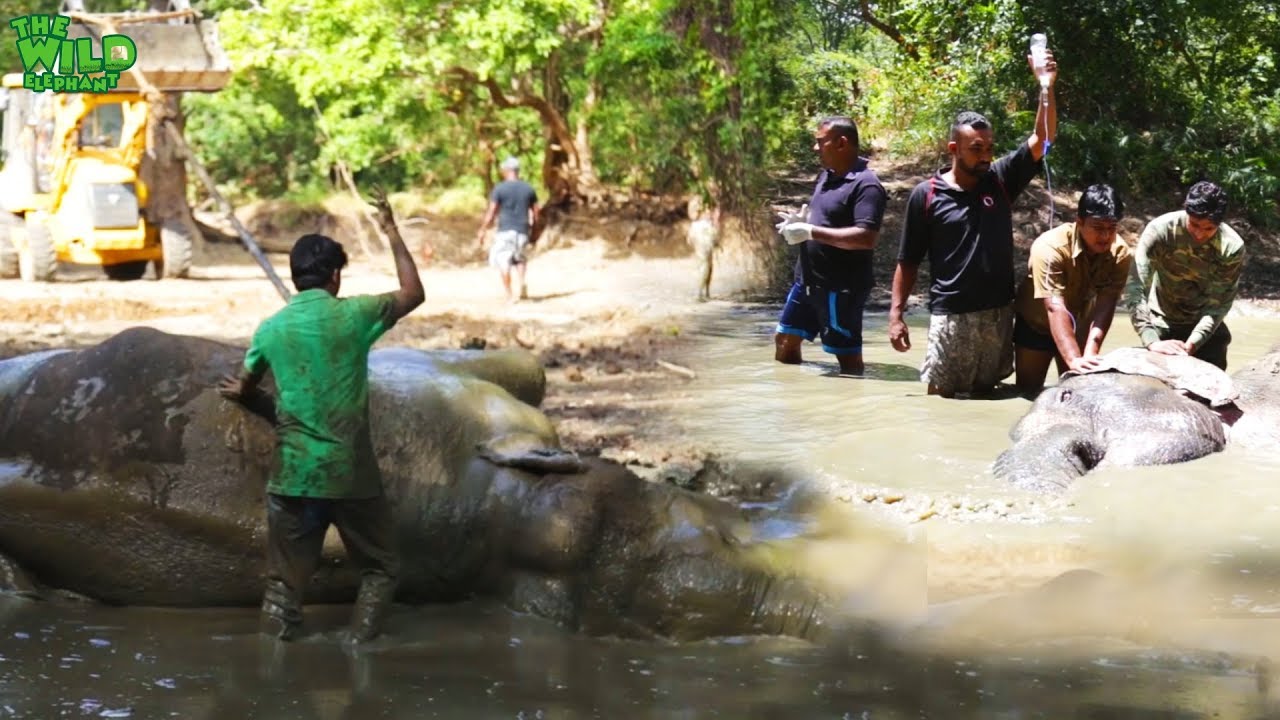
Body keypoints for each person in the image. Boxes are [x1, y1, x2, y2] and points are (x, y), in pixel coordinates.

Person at [217, 190, 425, 643]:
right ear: (335, 276)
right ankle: (359, 648)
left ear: (295, 278)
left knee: (283, 585)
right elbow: (414, 292)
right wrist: (390, 228)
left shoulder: (271, 328)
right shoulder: (356, 314)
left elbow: (247, 380)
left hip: (294, 476)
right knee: (381, 567)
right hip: (351, 476)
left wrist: (244, 393)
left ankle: (277, 667)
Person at [888, 47, 1058, 397]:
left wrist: (1046, 86)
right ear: (954, 148)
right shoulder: (927, 194)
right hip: (951, 316)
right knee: (941, 399)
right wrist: (895, 315)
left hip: (998, 312)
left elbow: (1042, 140)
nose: (984, 156)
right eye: (975, 148)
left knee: (987, 394)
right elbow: (908, 261)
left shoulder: (999, 180)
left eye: (988, 148)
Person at [773, 115, 888, 376]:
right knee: (785, 341)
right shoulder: (827, 175)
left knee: (846, 359)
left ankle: (850, 409)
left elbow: (866, 237)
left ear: (841, 143)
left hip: (841, 287)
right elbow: (829, 217)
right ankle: (796, 406)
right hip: (808, 281)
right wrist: (802, 222)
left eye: (820, 142)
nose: (815, 148)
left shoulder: (867, 185)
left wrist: (811, 231)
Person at [1012, 184, 1131, 394]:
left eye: (1111, 228)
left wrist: (1090, 352)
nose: (1105, 236)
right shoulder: (1050, 248)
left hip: (1079, 322)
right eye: (1097, 227)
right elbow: (1054, 308)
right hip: (1036, 323)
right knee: (1028, 391)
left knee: (1077, 389)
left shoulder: (1119, 252)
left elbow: (1107, 301)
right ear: (1080, 221)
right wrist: (1073, 358)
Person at [1126, 181, 1245, 370]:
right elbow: (1135, 287)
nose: (1199, 234)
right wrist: (1151, 339)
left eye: (1208, 229)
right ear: (1186, 212)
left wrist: (1192, 344)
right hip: (1161, 319)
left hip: (1204, 325)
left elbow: (1218, 305)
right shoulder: (1161, 231)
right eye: (1194, 224)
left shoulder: (1231, 247)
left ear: (1219, 223)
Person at [476, 156, 540, 302]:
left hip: (505, 230)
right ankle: (522, 282)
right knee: (520, 258)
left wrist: (483, 229)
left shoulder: (500, 189)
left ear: (506, 170)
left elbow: (492, 211)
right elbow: (536, 213)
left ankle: (510, 295)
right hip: (523, 230)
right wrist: (535, 231)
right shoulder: (528, 188)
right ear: (517, 171)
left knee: (503, 261)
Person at [686, 195, 721, 301]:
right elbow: (715, 218)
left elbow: (692, 215)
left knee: (706, 263)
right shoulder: (707, 199)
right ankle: (701, 292)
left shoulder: (698, 198)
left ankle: (704, 292)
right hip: (704, 229)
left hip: (699, 229)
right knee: (705, 263)